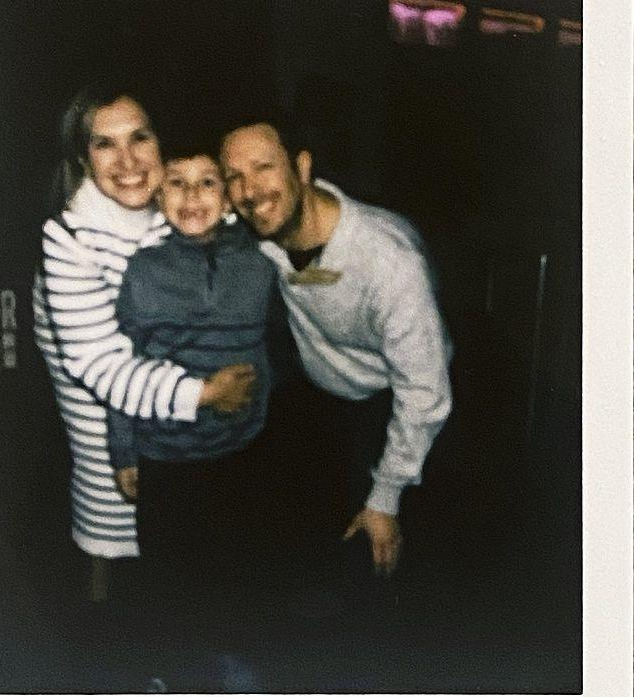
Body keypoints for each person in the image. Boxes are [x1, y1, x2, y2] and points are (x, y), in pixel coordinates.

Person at [32, 83, 256, 598]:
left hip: (185, 403)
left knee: (184, 546)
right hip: (102, 400)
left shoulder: (178, 201)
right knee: (112, 532)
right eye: (105, 144)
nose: (128, 160)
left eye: (140, 138)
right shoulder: (70, 237)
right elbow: (97, 364)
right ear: (83, 159)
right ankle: (103, 635)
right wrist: (202, 394)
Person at [219, 119, 453, 601]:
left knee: (381, 566)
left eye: (264, 167)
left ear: (302, 167)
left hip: (400, 401)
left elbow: (424, 392)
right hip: (320, 395)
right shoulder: (262, 235)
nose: (250, 190)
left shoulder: (388, 261)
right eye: (234, 177)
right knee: (292, 563)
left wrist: (386, 498)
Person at [106, 135, 291, 691]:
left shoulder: (260, 263)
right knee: (170, 583)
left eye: (207, 183)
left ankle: (232, 666)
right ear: (159, 195)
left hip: (240, 450)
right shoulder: (143, 271)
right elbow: (121, 365)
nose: (192, 197)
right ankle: (174, 674)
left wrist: (264, 407)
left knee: (235, 571)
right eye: (177, 184)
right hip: (166, 455)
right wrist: (124, 450)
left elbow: (274, 343)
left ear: (228, 197)